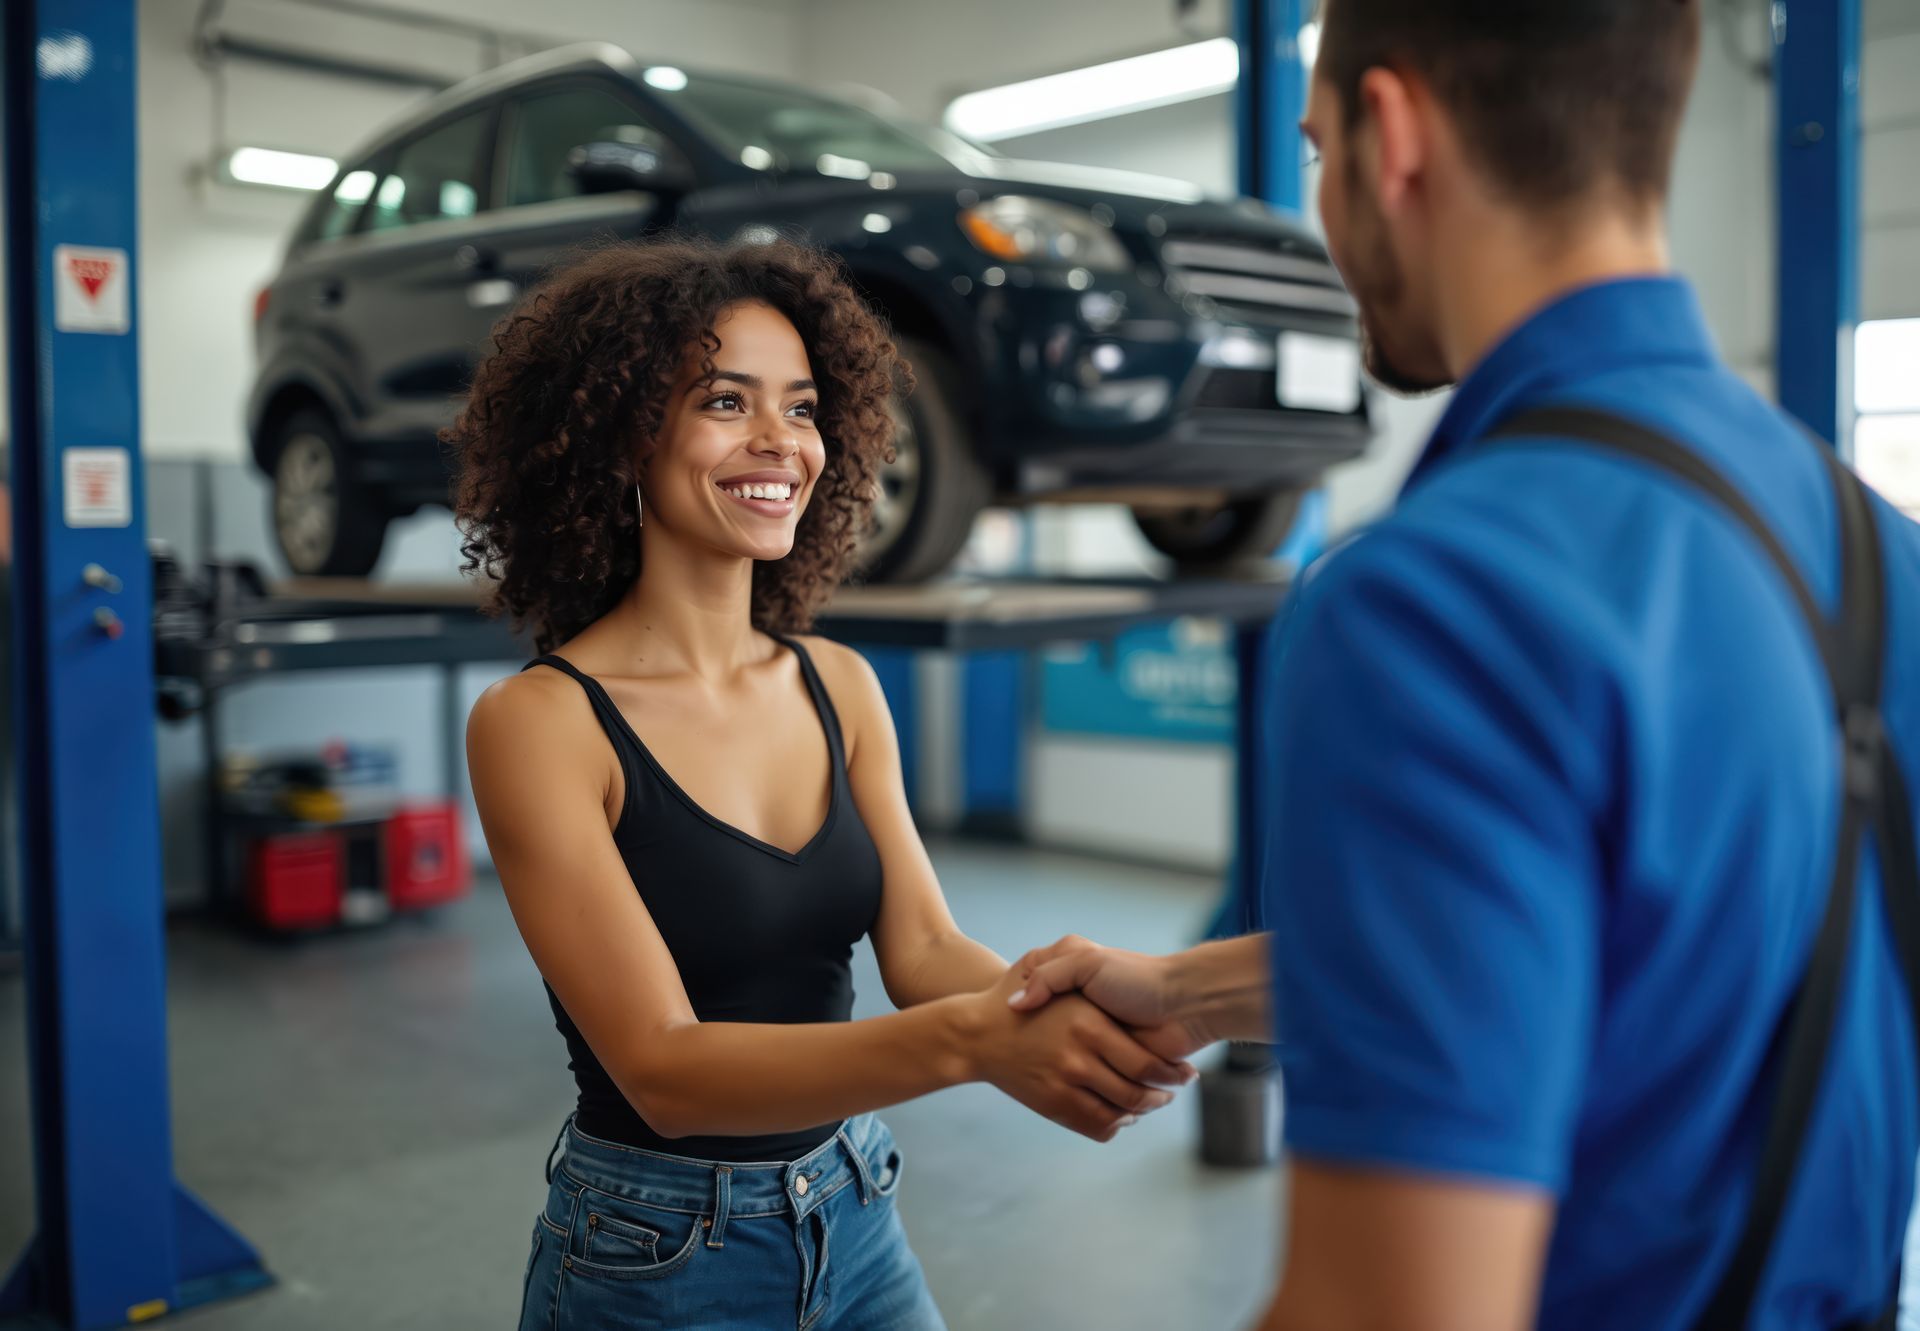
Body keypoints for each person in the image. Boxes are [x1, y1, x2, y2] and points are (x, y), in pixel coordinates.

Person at [1011, 1, 1920, 1327]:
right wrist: (1192, 990)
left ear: (1394, 136)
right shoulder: (1878, 552)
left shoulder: (1434, 600)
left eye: (1317, 150)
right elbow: (1653, 926)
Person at [455, 239, 1197, 1331]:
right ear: (622, 437)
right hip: (651, 1252)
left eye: (802, 407)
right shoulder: (542, 724)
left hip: (851, 1204)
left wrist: (1050, 1001)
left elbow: (925, 949)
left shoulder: (837, 682)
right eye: (725, 400)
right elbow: (667, 1069)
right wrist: (976, 1044)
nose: (780, 442)